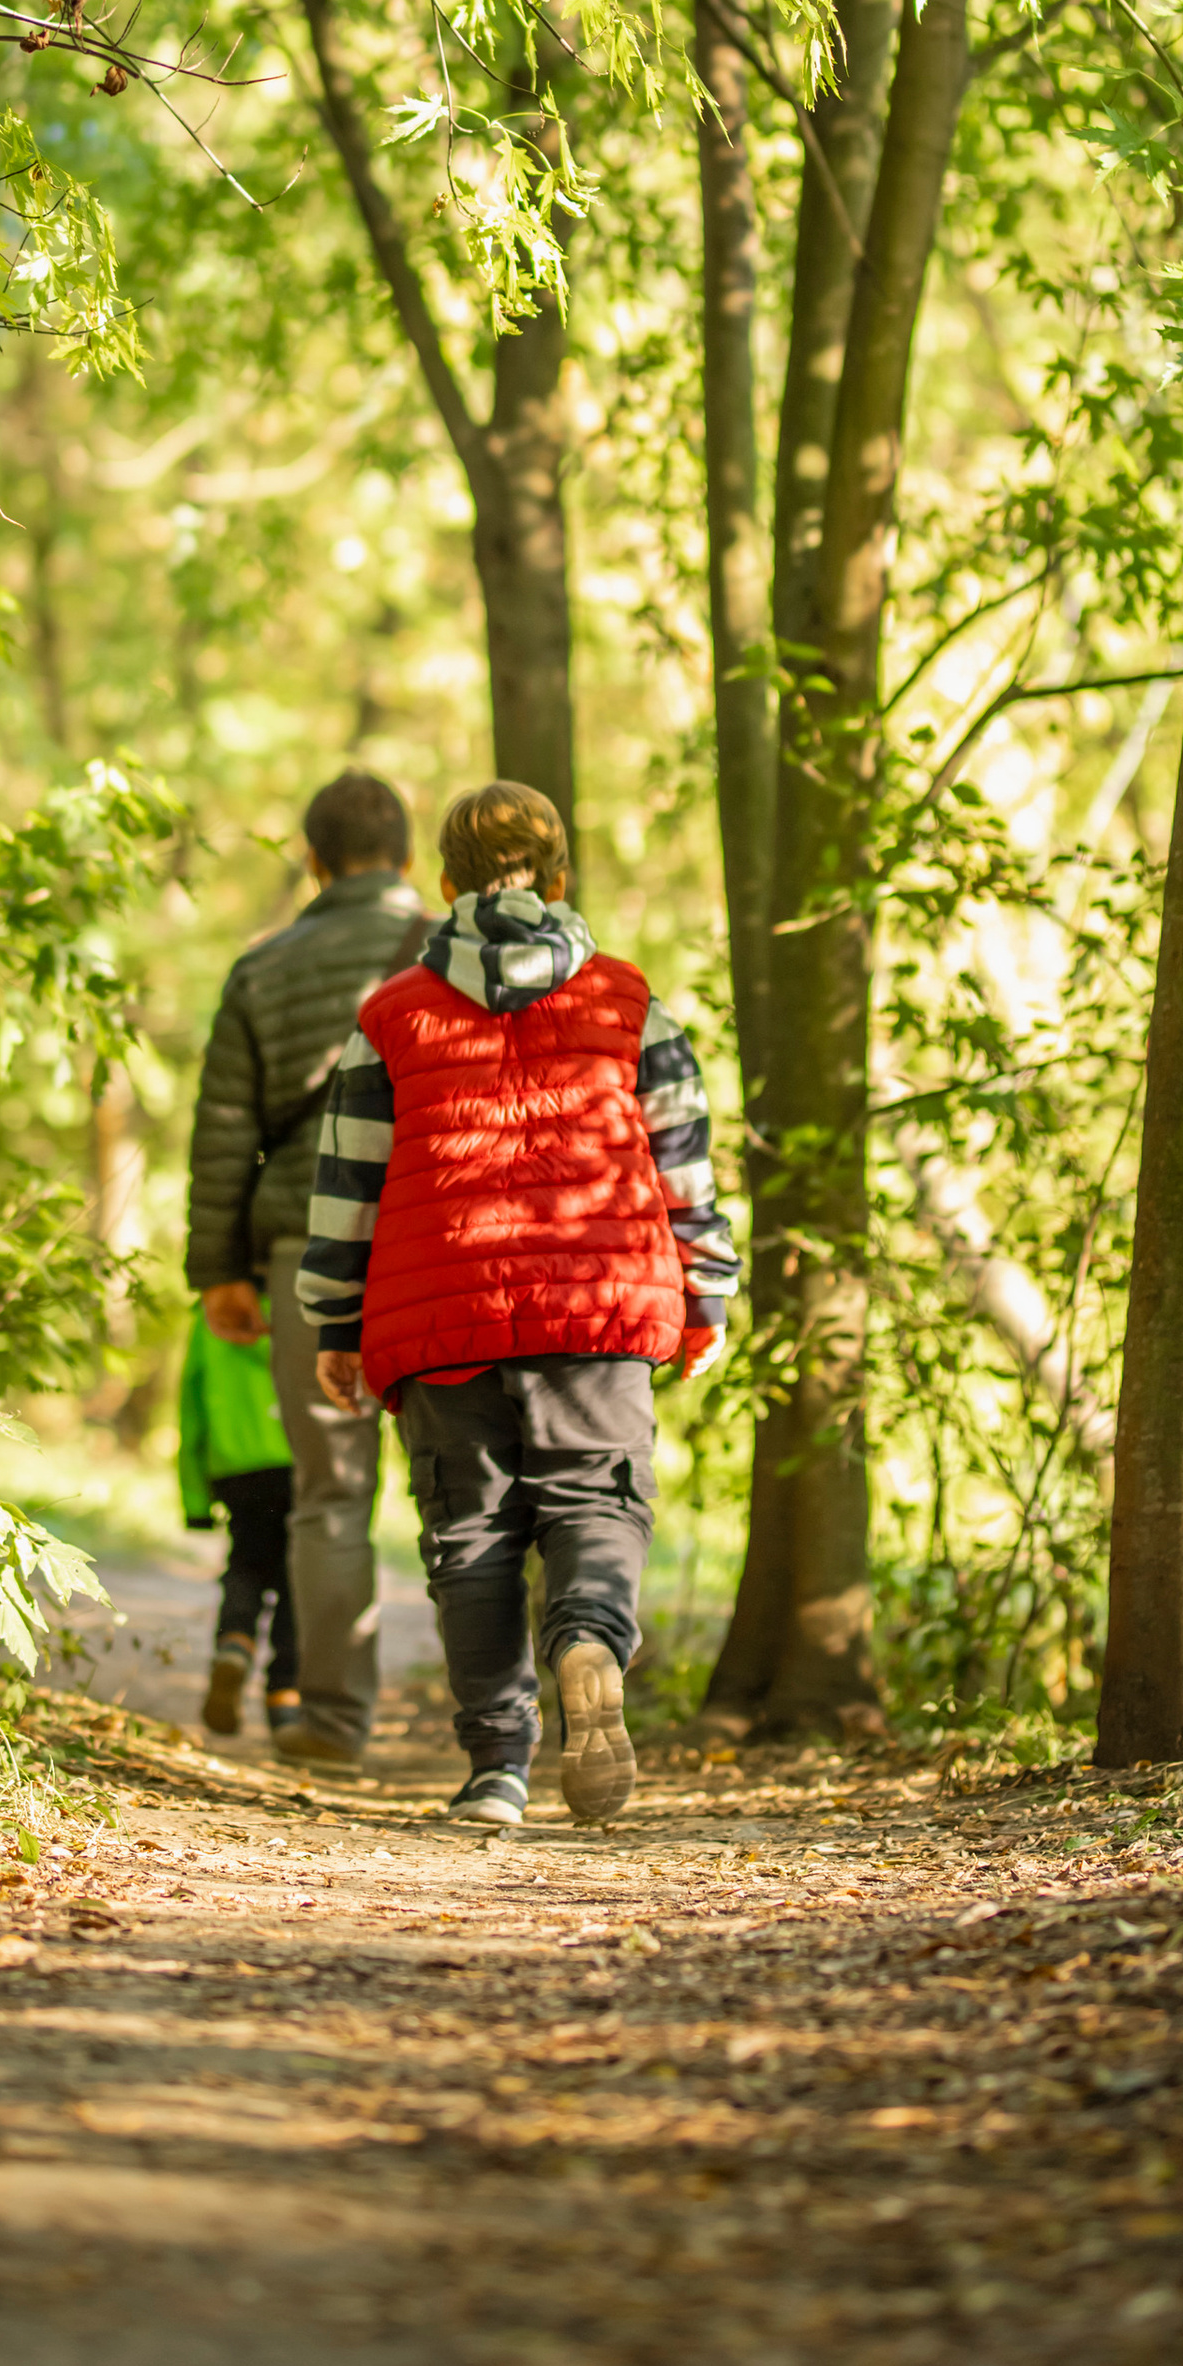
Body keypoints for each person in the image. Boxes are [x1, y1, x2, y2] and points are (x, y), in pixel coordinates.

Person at [296, 778, 736, 1830]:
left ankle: (496, 1767)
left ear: (445, 886)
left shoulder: (390, 1017)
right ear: (561, 877)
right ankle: (586, 1642)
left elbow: (348, 1179)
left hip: (439, 1309)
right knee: (598, 1502)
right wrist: (706, 1290)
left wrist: (335, 1320)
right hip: (599, 1300)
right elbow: (683, 1159)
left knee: (470, 1535)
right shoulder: (631, 1002)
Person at [183, 770, 424, 1773]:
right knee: (472, 1484)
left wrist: (220, 1269)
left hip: (300, 1250)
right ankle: (506, 1716)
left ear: (314, 861)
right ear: (408, 858)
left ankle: (330, 1715)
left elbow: (223, 1129)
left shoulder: (261, 970)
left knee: (329, 1489)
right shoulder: (446, 957)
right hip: (435, 1245)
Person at [175, 1301, 301, 1740]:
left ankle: (235, 1643)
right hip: (302, 1458)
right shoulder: (303, 1301)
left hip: (236, 1464)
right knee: (297, 1579)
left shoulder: (212, 1311)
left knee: (246, 1560)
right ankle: (285, 1695)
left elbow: (191, 1403)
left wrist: (194, 1497)